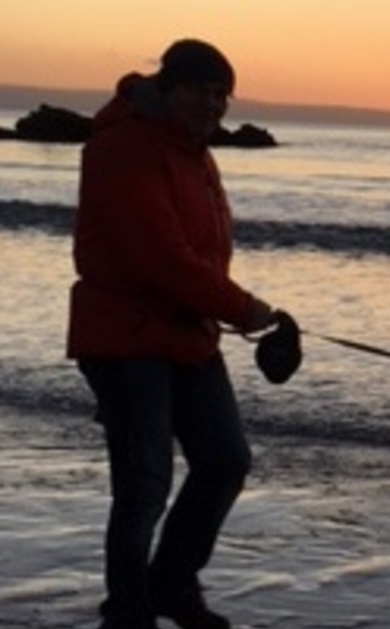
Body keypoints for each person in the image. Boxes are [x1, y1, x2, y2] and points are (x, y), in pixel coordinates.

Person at [68, 38, 279, 629]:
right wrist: (244, 309)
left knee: (225, 460)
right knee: (144, 486)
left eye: (220, 95)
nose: (210, 104)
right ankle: (128, 610)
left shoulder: (195, 153)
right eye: (198, 90)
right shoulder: (124, 148)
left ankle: (170, 584)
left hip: (188, 334)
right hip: (125, 339)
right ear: (167, 86)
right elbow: (158, 258)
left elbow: (198, 259)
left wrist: (232, 309)